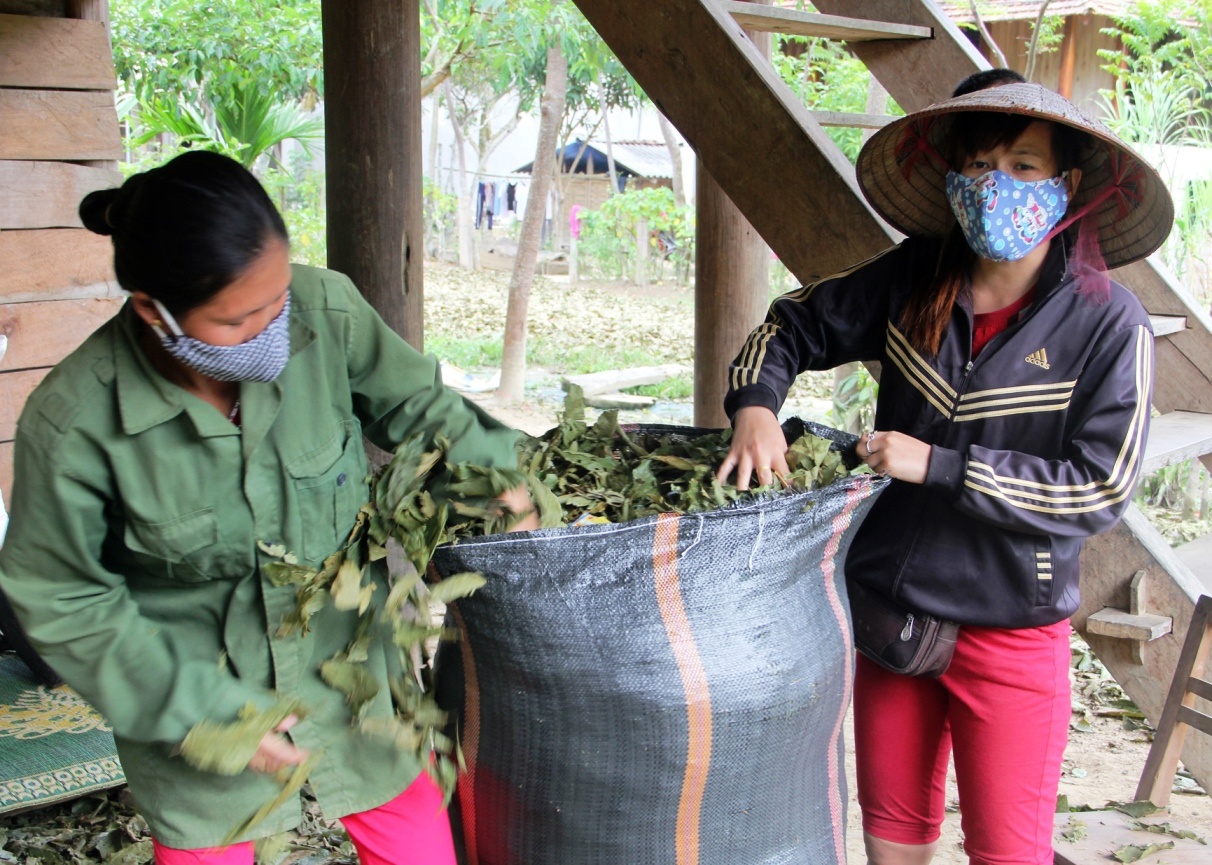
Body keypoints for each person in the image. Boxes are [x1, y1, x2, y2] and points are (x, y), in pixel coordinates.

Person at [0, 150, 537, 865]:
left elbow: (419, 408)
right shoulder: (74, 421)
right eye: (237, 319)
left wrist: (494, 471)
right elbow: (62, 596)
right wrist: (199, 712)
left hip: (352, 677)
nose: (271, 331)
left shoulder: (326, 311)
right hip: (195, 693)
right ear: (152, 312)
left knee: (417, 847)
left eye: (278, 300)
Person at [717, 83, 1172, 864]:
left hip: (1011, 633)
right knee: (892, 842)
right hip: (895, 621)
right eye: (981, 162)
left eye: (1023, 164)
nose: (998, 182)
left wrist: (939, 464)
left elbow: (1097, 487)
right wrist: (755, 405)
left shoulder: (1109, 324)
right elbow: (790, 324)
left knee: (1006, 853)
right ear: (956, 179)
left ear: (1065, 186)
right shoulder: (914, 276)